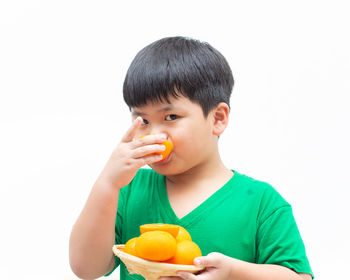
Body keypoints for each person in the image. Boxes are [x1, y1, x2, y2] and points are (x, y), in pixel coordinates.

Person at [69, 36, 313, 280]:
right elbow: (86, 268)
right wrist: (107, 184)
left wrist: (234, 273)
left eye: (171, 117)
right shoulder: (128, 190)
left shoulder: (261, 203)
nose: (154, 135)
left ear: (218, 119)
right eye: (143, 120)